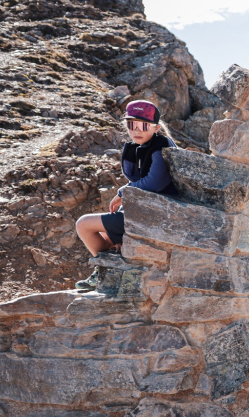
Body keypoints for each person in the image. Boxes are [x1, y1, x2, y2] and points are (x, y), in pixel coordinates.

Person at [74, 100, 178, 291]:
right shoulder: (138, 146)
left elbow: (154, 183)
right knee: (105, 231)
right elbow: (140, 184)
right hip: (144, 212)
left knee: (83, 224)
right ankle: (106, 269)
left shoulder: (161, 146)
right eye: (132, 125)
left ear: (155, 128)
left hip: (156, 216)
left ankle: (104, 272)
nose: (137, 130)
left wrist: (122, 192)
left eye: (143, 125)